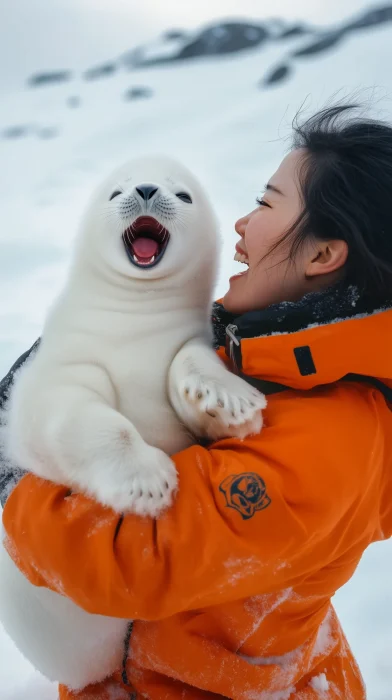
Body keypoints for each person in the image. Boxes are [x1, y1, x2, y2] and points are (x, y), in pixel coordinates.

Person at [2, 103, 392, 699]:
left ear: (322, 256)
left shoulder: (336, 437)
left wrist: (12, 488)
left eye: (265, 204)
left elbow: (137, 558)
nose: (239, 224)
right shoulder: (264, 356)